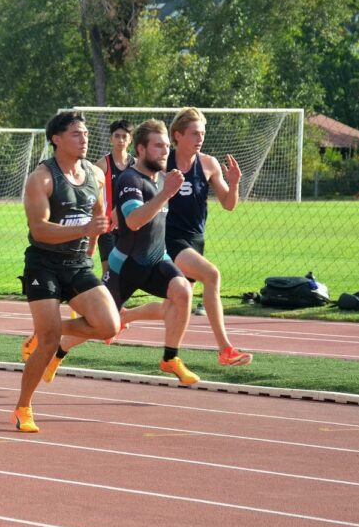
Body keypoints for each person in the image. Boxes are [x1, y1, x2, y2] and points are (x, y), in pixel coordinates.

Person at [53, 120, 200, 387]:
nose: (165, 151)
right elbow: (133, 221)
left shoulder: (165, 177)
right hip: (125, 267)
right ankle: (57, 350)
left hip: (157, 259)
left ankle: (170, 357)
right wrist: (165, 195)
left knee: (183, 292)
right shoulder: (130, 179)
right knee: (98, 326)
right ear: (141, 149)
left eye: (167, 146)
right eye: (158, 146)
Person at [11, 111, 120, 434]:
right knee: (48, 343)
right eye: (75, 133)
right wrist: (85, 228)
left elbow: (99, 214)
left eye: (85, 133)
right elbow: (40, 229)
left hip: (77, 264)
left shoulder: (95, 175)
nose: (83, 138)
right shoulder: (41, 178)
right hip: (43, 264)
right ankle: (23, 407)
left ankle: (47, 330)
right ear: (56, 139)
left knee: (109, 326)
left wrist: (92, 243)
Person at [126, 107, 250, 366]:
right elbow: (137, 185)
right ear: (177, 135)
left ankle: (122, 318)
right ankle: (225, 349)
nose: (200, 138)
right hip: (168, 238)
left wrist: (235, 183)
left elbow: (228, 204)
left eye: (202, 133)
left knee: (173, 306)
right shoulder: (162, 162)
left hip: (195, 240)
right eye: (194, 133)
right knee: (212, 275)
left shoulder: (209, 164)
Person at [92, 118, 135, 278]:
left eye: (124, 136)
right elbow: (92, 194)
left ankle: (116, 303)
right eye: (117, 136)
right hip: (107, 227)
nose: (120, 140)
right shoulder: (102, 164)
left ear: (130, 139)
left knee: (126, 273)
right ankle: (107, 302)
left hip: (130, 226)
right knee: (109, 272)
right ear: (111, 138)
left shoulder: (136, 165)